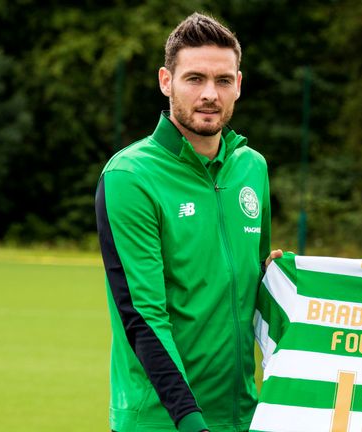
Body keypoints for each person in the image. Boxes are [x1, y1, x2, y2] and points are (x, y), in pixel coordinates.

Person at [95, 12, 280, 432]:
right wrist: (190, 421)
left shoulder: (252, 168)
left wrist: (284, 281)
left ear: (239, 83)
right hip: (163, 421)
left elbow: (255, 288)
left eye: (223, 80)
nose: (210, 94)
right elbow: (143, 315)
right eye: (194, 79)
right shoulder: (130, 176)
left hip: (242, 416)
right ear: (166, 81)